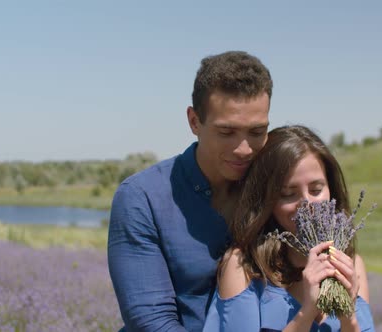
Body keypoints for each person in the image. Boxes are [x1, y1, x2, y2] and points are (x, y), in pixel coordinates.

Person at [108, 51, 273, 331]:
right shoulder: (141, 198)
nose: (244, 149)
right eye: (226, 132)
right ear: (194, 121)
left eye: (257, 132)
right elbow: (151, 322)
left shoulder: (274, 192)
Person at [203, 125, 375, 332]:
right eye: (287, 193)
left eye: (316, 189)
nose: (307, 204)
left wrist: (348, 317)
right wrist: (307, 313)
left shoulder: (351, 263)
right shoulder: (243, 266)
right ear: (267, 201)